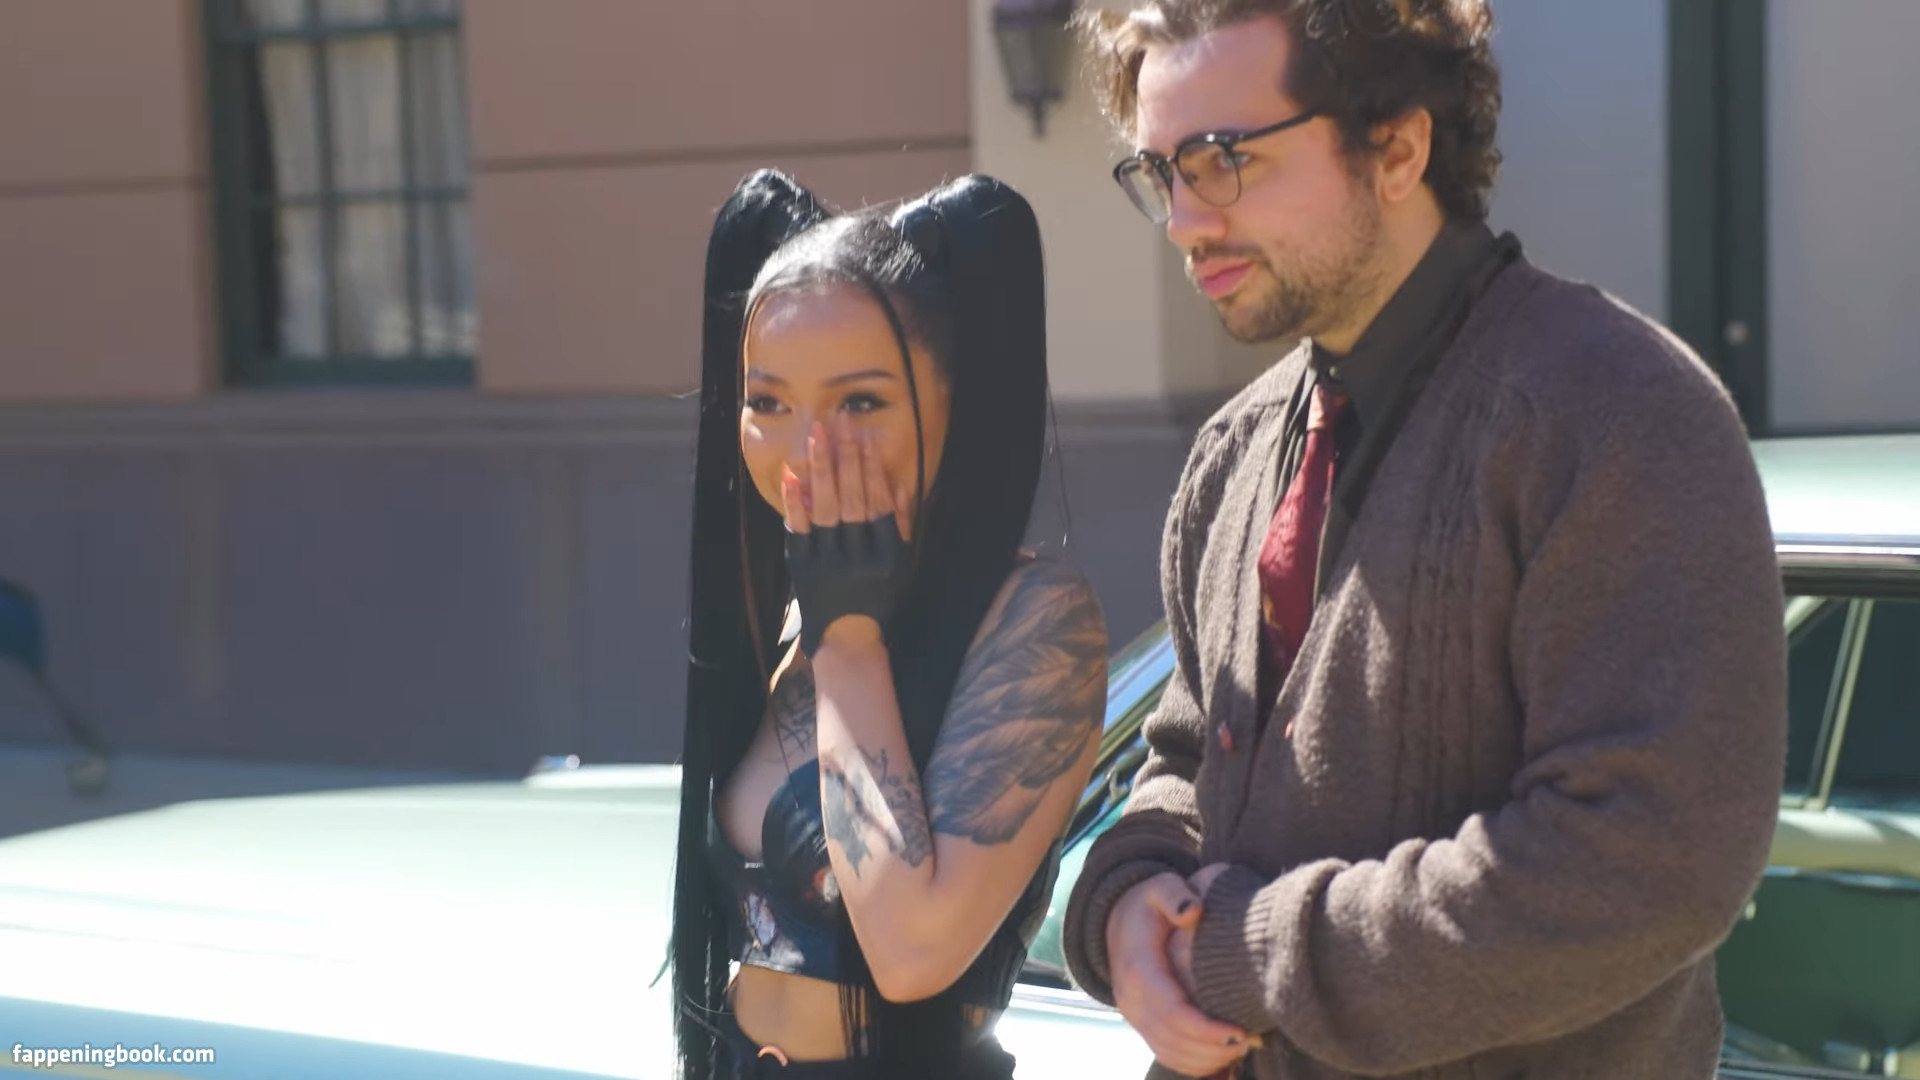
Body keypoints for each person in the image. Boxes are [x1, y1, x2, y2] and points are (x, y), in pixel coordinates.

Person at [1058, 3, 1786, 1079]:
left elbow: (1645, 861)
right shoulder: (1235, 452)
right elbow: (1186, 762)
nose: (1182, 220)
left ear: (1398, 148)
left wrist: (1251, 952)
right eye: (1161, 172)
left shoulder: (1621, 414)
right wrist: (1127, 898)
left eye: (1221, 160)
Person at [671, 170, 1109, 1080]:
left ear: (953, 402)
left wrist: (850, 642)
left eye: (860, 402)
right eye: (768, 403)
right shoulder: (788, 610)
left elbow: (912, 952)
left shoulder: (1034, 621)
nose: (809, 448)